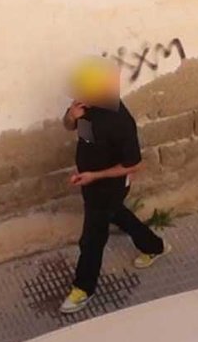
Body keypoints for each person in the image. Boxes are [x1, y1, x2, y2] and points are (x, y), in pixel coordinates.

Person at [57, 57, 168, 314]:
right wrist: (71, 117)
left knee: (92, 239)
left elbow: (134, 164)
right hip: (89, 182)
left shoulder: (120, 122)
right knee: (117, 213)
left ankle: (83, 289)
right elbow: (69, 127)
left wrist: (94, 176)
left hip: (108, 186)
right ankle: (155, 246)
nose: (77, 96)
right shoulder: (84, 106)